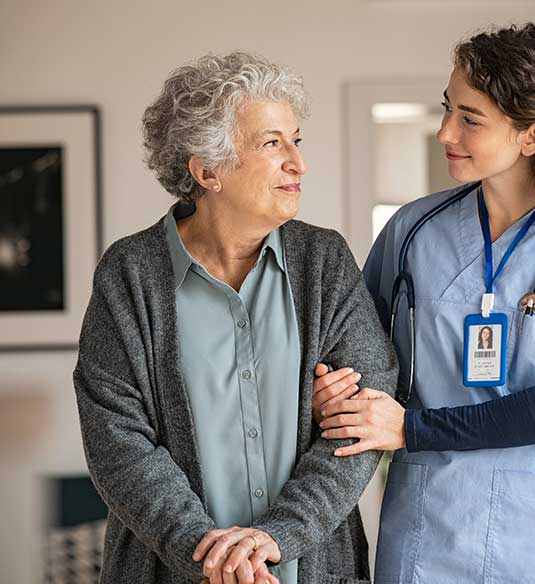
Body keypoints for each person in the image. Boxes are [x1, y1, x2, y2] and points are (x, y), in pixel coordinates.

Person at [311, 23, 535, 583]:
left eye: (470, 118)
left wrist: (409, 430)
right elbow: (360, 356)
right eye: (448, 110)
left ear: (532, 137)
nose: (445, 131)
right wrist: (337, 391)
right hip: (429, 533)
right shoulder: (412, 231)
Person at [72, 52, 397, 584]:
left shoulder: (324, 261)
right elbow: (118, 442)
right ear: (207, 170)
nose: (298, 162)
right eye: (273, 144)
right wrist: (211, 556)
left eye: (296, 140)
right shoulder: (129, 275)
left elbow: (362, 421)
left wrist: (277, 536)